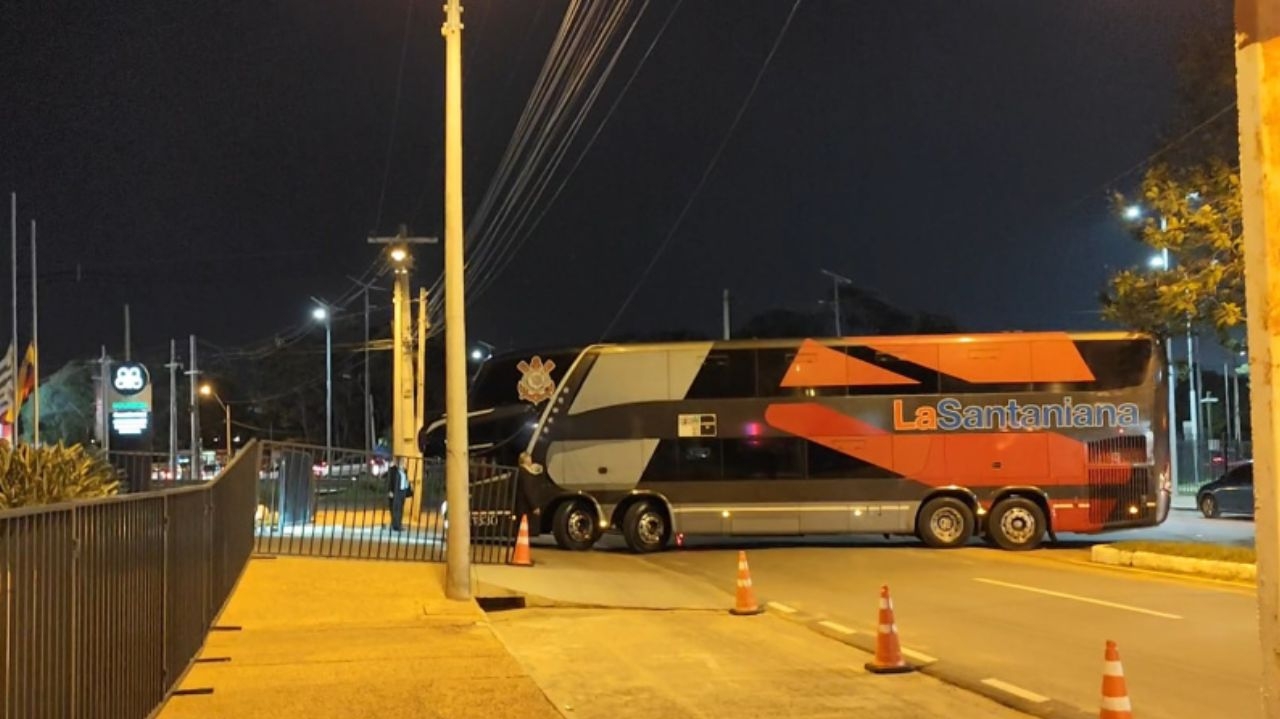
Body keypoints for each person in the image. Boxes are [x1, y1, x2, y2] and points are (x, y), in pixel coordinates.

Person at [386, 457, 410, 531]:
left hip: (402, 491)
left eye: (403, 462)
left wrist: (408, 489)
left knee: (400, 509)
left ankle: (398, 523)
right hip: (396, 492)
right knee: (396, 509)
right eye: (402, 462)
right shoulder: (393, 470)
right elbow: (390, 481)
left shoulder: (404, 471)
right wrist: (390, 490)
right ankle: (396, 525)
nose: (403, 463)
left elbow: (406, 480)